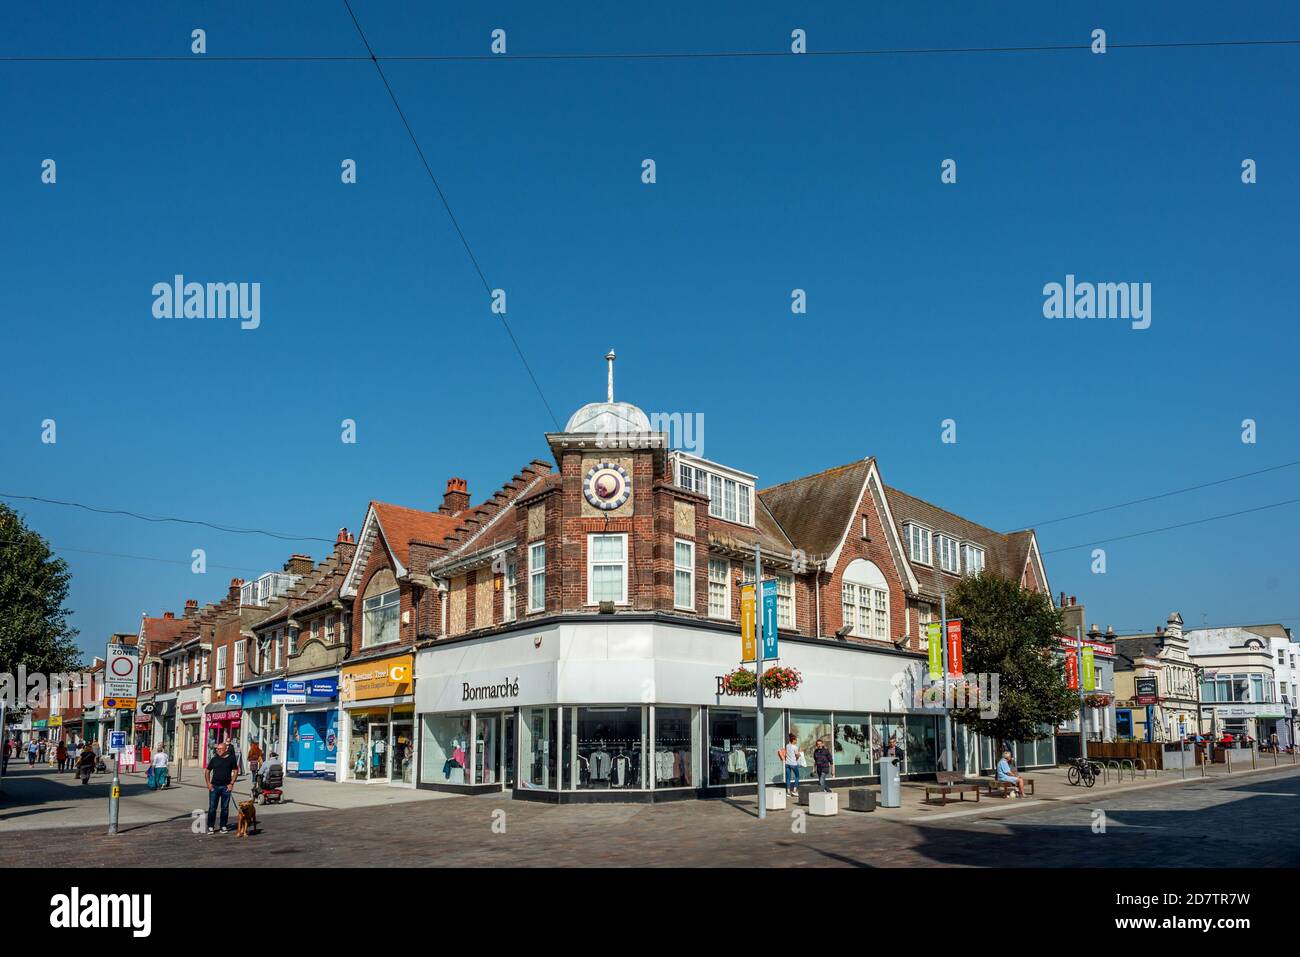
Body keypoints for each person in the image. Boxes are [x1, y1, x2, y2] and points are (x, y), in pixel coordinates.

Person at [204, 740, 240, 834]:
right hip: (214, 787)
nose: (218, 750)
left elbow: (236, 771)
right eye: (217, 749)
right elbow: (207, 771)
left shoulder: (231, 759)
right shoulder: (214, 759)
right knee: (212, 808)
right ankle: (210, 826)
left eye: (220, 749)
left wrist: (231, 783)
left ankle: (223, 826)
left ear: (225, 749)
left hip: (226, 787)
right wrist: (208, 783)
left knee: (225, 808)